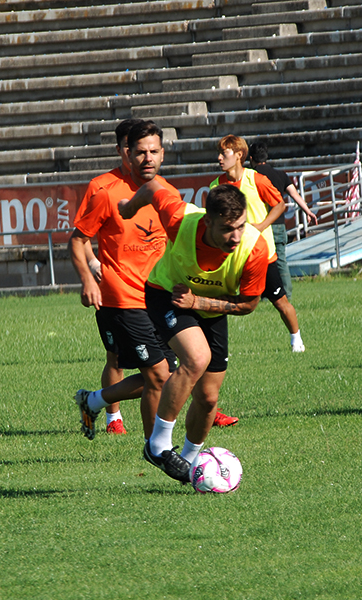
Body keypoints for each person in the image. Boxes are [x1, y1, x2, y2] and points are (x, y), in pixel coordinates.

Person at [118, 180, 270, 483]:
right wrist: (129, 208)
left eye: (240, 226)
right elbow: (152, 187)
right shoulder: (179, 219)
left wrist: (199, 301)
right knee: (196, 359)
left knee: (209, 399)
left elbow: (249, 304)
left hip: (209, 306)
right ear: (207, 221)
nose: (236, 236)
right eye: (227, 229)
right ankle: (157, 445)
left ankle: (188, 464)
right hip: (166, 294)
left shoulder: (255, 248)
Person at [69, 119, 176, 439]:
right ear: (126, 154)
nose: (148, 158)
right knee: (153, 372)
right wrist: (89, 276)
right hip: (120, 296)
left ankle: (94, 401)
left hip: (158, 295)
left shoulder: (167, 193)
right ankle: (153, 445)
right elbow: (78, 238)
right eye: (141, 152)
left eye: (154, 152)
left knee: (169, 374)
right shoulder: (105, 190)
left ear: (163, 154)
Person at [211, 135, 307, 354]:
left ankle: (296, 340)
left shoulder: (256, 180)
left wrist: (260, 226)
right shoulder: (216, 186)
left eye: (223, 154)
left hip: (262, 255)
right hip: (231, 255)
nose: (218, 158)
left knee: (280, 302)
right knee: (214, 299)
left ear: (239, 156)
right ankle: (208, 346)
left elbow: (280, 205)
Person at [248, 141, 319, 302]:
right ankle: (286, 293)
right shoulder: (280, 174)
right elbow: (294, 194)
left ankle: (263, 296)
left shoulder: (251, 176)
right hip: (279, 224)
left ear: (251, 158)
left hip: (259, 225)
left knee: (260, 261)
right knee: (280, 260)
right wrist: (307, 211)